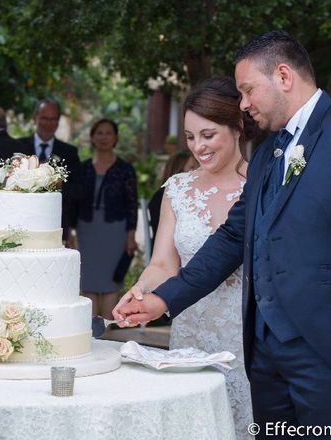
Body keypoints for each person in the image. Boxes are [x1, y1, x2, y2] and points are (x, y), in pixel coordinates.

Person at [114, 31, 331, 438]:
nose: (243, 103)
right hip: (268, 354)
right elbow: (231, 239)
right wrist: (162, 299)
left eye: (247, 90)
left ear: (284, 76)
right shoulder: (268, 154)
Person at [117, 77, 255, 437]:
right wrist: (141, 292)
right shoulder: (177, 188)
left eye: (207, 135)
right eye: (191, 137)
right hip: (190, 334)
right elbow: (164, 264)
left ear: (238, 126)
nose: (198, 147)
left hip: (246, 337)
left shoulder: (261, 185)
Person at [74, 118, 137, 319]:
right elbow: (73, 203)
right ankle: (88, 334)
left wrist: (131, 235)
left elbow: (131, 204)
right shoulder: (82, 169)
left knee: (110, 285)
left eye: (108, 133)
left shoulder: (125, 169)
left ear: (115, 138)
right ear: (92, 138)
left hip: (115, 230)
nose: (103, 137)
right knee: (89, 284)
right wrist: (71, 234)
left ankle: (107, 335)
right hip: (87, 229)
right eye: (99, 133)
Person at [19, 99, 81, 243]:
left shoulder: (69, 152)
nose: (48, 123)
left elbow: (79, 190)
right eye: (44, 118)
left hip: (56, 226)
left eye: (53, 119)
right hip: (21, 222)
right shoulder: (18, 147)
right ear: (35, 118)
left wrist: (59, 185)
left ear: (58, 121)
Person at [147, 150, 198, 252]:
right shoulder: (162, 196)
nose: (197, 171)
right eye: (192, 167)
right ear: (178, 170)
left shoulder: (198, 196)